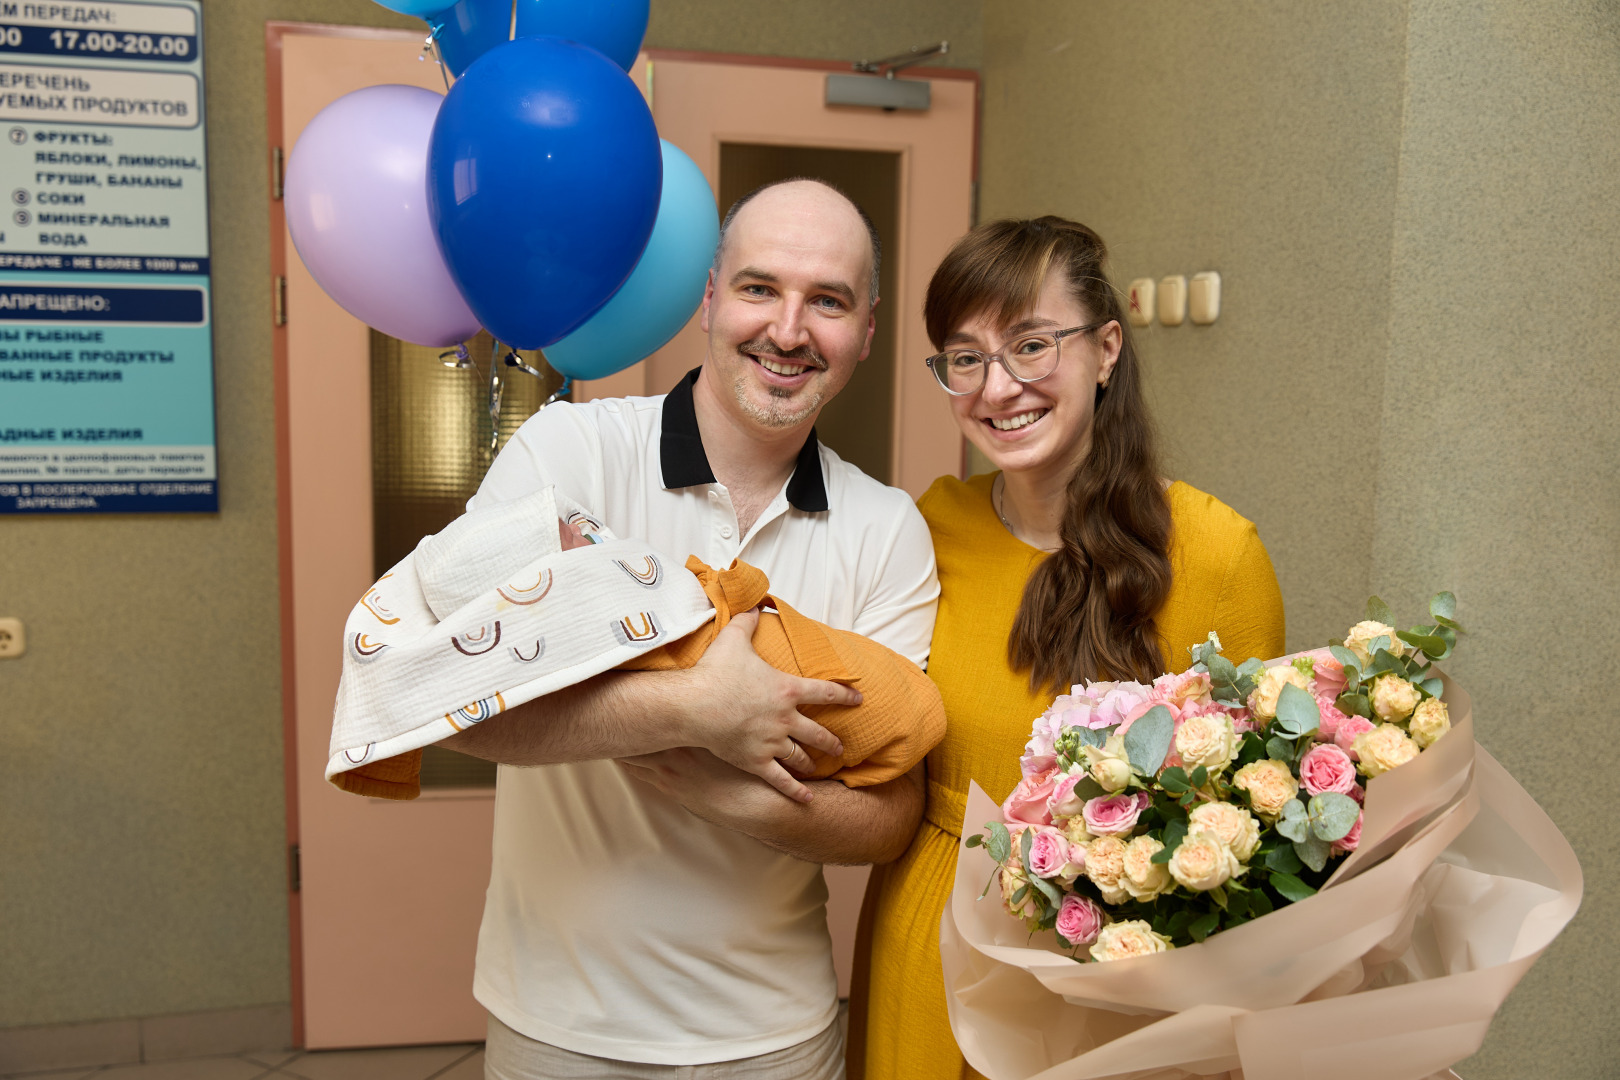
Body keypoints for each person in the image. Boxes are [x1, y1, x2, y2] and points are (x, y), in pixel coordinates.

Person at [437, 178, 939, 1080]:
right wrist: (693, 712)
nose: (788, 330)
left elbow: (889, 818)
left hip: (778, 1036)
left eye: (827, 301)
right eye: (759, 288)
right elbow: (457, 699)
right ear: (710, 297)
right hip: (561, 1028)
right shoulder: (569, 458)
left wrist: (715, 781)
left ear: (867, 330)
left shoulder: (887, 527)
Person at [847, 216, 1286, 1080]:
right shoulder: (927, 527)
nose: (996, 387)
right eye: (964, 358)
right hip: (932, 935)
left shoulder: (1218, 554)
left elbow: (1258, 831)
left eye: (1032, 345)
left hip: (1122, 972)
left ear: (1107, 349)